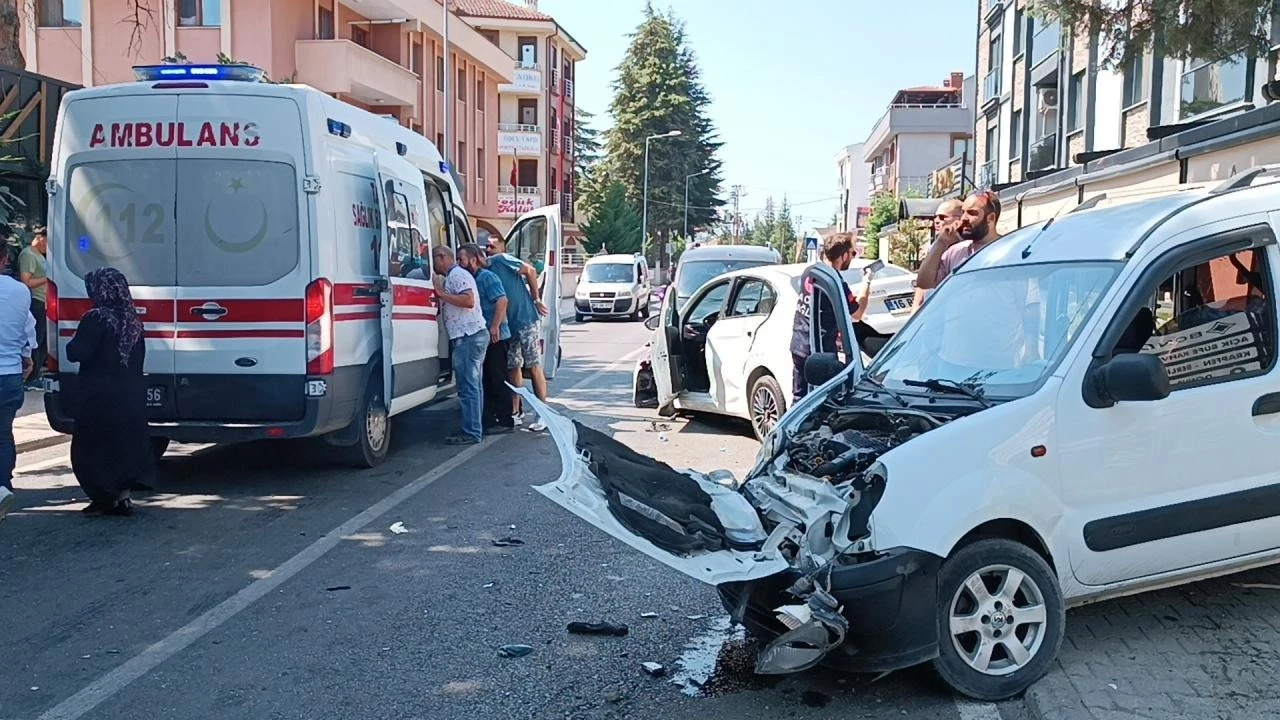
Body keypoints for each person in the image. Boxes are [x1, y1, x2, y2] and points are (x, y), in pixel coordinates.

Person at [67, 267, 150, 517]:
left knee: (92, 447)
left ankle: (103, 497)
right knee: (123, 445)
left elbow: (76, 352)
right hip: (130, 395)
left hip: (99, 396)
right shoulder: (134, 321)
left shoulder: (97, 318)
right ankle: (123, 496)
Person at [789, 233, 869, 403]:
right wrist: (867, 282)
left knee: (799, 399)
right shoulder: (834, 281)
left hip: (798, 344)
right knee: (821, 403)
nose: (852, 258)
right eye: (852, 254)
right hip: (820, 352)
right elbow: (858, 313)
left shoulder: (811, 272)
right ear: (844, 255)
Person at [484, 233, 551, 432]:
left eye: (492, 247)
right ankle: (516, 412)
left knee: (533, 365)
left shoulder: (503, 260)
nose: (488, 251)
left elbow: (530, 270)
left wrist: (536, 299)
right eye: (486, 247)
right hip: (509, 325)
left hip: (524, 319)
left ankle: (543, 413)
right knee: (513, 367)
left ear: (501, 249)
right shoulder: (488, 268)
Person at [432, 245, 488, 445]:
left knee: (468, 387)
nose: (434, 265)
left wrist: (440, 294)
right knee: (473, 386)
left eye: (434, 260)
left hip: (468, 336)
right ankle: (474, 427)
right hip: (472, 335)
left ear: (442, 257)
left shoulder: (456, 275)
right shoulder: (456, 275)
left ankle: (472, 431)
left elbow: (468, 300)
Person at [458, 242, 513, 435]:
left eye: (462, 259)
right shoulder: (471, 280)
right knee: (486, 379)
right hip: (484, 335)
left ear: (473, 260)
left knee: (498, 378)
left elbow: (502, 300)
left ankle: (505, 420)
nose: (460, 263)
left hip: (496, 335)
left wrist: (495, 326)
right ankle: (488, 419)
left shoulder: (487, 277)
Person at [0, 249, 35, 522]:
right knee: (3, 433)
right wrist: (27, 356)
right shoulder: (21, 291)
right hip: (9, 373)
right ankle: (3, 486)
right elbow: (28, 329)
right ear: (4, 260)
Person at [916, 190, 1004, 291]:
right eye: (963, 212)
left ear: (991, 218)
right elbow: (924, 283)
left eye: (972, 213)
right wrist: (941, 242)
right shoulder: (955, 252)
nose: (964, 218)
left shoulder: (1010, 250)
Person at [910, 198, 964, 313]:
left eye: (942, 217)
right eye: (935, 217)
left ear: (959, 219)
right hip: (932, 311)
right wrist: (915, 311)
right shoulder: (936, 245)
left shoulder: (967, 247)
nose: (936, 221)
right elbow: (922, 286)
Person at [19, 227, 48, 388]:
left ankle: (37, 373)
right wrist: (47, 278)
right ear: (41, 238)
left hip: (44, 301)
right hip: (35, 300)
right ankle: (32, 377)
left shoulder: (40, 255)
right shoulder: (29, 255)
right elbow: (26, 281)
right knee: (36, 339)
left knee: (43, 340)